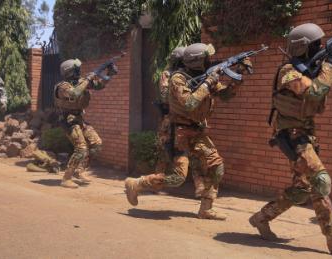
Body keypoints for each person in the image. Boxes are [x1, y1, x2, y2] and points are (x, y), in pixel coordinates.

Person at [248, 21, 332, 255]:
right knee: (321, 181)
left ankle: (261, 217)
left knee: (302, 189)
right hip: (290, 136)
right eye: (316, 44)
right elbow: (314, 91)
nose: (321, 46)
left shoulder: (319, 67)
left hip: (307, 135)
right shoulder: (287, 72)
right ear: (303, 47)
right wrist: (330, 65)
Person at [125, 43, 252, 220]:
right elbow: (189, 103)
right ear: (198, 61)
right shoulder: (178, 78)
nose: (210, 60)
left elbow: (225, 95)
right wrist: (208, 82)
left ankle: (206, 208)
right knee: (178, 177)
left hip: (197, 130)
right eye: (207, 58)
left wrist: (238, 76)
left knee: (217, 167)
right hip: (179, 132)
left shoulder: (202, 76)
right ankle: (137, 184)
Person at [53, 58, 116, 188]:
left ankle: (80, 170)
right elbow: (74, 93)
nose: (80, 71)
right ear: (70, 72)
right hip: (68, 120)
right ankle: (66, 178)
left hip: (79, 119)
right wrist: (87, 79)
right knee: (81, 148)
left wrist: (109, 74)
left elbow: (100, 85)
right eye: (77, 69)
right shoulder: (62, 87)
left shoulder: (82, 81)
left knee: (96, 144)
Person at [155, 46, 206, 198]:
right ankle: (156, 181)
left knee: (196, 153)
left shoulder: (190, 75)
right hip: (172, 119)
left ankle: (200, 186)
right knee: (165, 152)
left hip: (190, 119)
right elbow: (165, 97)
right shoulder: (168, 75)